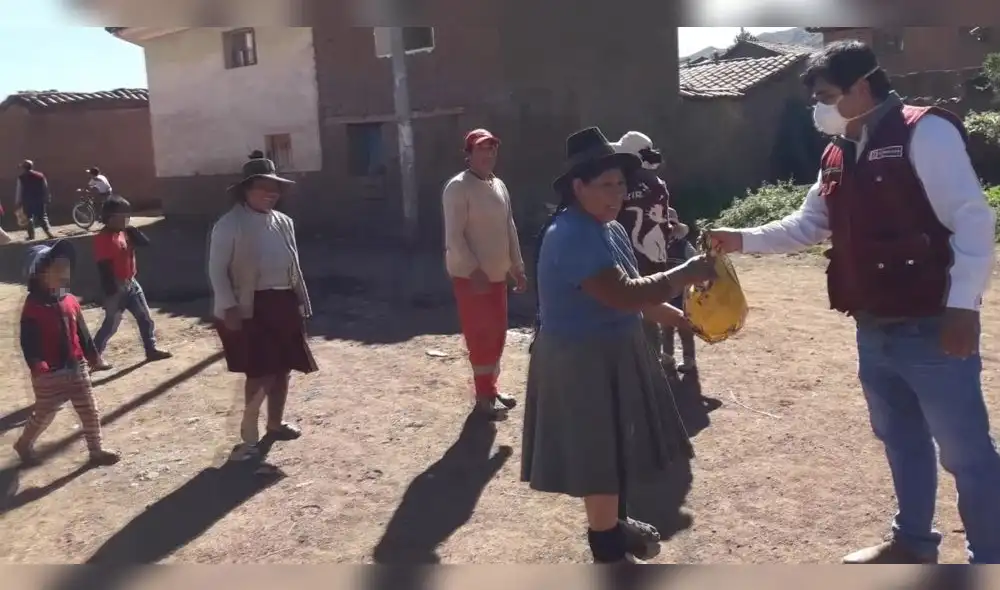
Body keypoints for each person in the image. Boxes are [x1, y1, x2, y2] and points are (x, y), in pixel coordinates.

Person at [707, 40, 1000, 564]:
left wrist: (963, 307)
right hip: (874, 324)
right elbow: (809, 224)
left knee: (966, 454)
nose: (818, 107)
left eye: (826, 95)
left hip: (932, 324)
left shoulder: (924, 131)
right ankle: (913, 542)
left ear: (861, 86)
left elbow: (973, 219)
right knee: (901, 440)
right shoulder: (838, 150)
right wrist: (741, 237)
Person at [521, 126, 715, 564]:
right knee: (599, 456)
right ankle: (607, 549)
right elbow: (623, 293)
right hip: (581, 360)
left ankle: (615, 527)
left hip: (614, 348)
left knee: (616, 450)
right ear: (578, 187)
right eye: (605, 185)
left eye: (621, 184)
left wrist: (677, 317)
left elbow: (634, 297)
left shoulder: (608, 229)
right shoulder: (570, 233)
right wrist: (685, 273)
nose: (617, 194)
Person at [208, 157, 317, 458]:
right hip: (250, 306)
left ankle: (275, 423)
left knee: (282, 368)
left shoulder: (284, 223)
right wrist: (228, 306)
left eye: (275, 188)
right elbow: (217, 270)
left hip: (283, 302)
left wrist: (298, 301)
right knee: (259, 371)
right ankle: (249, 434)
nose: (270, 193)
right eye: (263, 187)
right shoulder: (229, 225)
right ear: (246, 190)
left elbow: (293, 265)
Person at [442, 128, 527, 421]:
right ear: (468, 155)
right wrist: (471, 268)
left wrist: (517, 266)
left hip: (497, 274)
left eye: (492, 149)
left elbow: (509, 227)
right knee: (480, 336)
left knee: (498, 335)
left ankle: (491, 387)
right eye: (482, 149)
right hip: (472, 278)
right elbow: (454, 237)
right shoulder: (458, 187)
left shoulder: (499, 185)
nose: (488, 155)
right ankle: (483, 397)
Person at [13, 239, 120, 467]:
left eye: (66, 268)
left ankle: (96, 450)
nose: (65, 273)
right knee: (44, 414)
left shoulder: (71, 301)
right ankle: (24, 443)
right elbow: (28, 342)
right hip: (48, 374)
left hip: (76, 365)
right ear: (39, 275)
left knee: (89, 409)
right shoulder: (32, 308)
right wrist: (37, 364)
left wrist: (93, 356)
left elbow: (82, 332)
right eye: (58, 269)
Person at [611, 131, 675, 367]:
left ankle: (648, 361)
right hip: (657, 254)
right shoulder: (658, 183)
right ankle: (665, 356)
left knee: (639, 307)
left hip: (632, 256)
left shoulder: (623, 184)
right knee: (659, 301)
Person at [92, 196, 172, 365]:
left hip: (131, 282)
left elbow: (146, 244)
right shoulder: (104, 238)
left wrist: (134, 232)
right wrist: (111, 292)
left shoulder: (124, 232)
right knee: (111, 325)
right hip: (116, 285)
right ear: (111, 217)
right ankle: (93, 358)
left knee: (145, 318)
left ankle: (151, 350)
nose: (127, 218)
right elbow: (104, 267)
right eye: (123, 216)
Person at [663, 207, 698, 373]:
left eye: (671, 224)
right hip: (663, 293)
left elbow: (696, 262)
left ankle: (688, 359)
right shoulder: (655, 245)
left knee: (684, 327)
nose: (667, 227)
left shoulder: (684, 246)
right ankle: (667, 355)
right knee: (666, 326)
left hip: (682, 294)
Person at [14, 160, 54, 241]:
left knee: (29, 218)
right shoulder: (40, 176)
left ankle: (31, 235)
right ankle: (49, 233)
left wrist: (18, 201)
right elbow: (45, 188)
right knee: (42, 217)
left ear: (24, 168)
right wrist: (47, 197)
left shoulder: (21, 178)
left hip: (27, 200)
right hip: (39, 199)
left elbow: (19, 190)